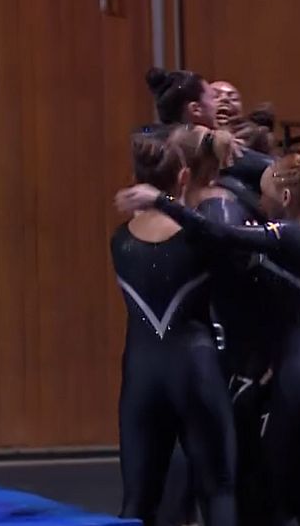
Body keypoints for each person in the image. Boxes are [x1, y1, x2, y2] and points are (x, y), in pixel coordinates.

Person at [116, 136, 300, 526]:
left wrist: (162, 200)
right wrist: (216, 142)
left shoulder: (292, 235)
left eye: (265, 197)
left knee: (270, 505)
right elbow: (271, 171)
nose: (258, 204)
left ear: (287, 197)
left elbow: (224, 235)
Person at [111, 132, 237, 526]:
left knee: (137, 502)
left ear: (136, 179)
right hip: (194, 368)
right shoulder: (199, 240)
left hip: (141, 376)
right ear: (183, 177)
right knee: (218, 490)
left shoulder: (119, 242)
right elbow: (221, 238)